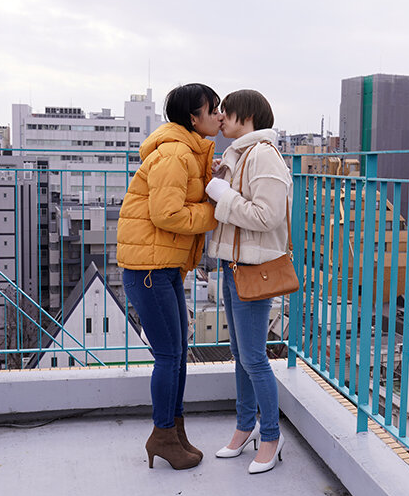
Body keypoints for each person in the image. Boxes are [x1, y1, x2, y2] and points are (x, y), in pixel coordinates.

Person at [117, 83, 221, 470]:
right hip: (149, 269)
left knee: (178, 354)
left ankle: (174, 432)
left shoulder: (188, 151)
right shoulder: (176, 153)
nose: (219, 116)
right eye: (213, 109)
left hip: (163, 266)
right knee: (168, 355)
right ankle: (162, 434)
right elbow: (167, 214)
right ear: (193, 118)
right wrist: (216, 212)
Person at [204, 89, 292, 474]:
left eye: (228, 110)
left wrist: (223, 195)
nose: (221, 116)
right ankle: (245, 427)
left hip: (253, 266)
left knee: (254, 357)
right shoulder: (242, 155)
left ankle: (271, 435)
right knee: (240, 353)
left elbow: (267, 216)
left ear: (249, 115)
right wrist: (222, 179)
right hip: (233, 263)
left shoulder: (264, 156)